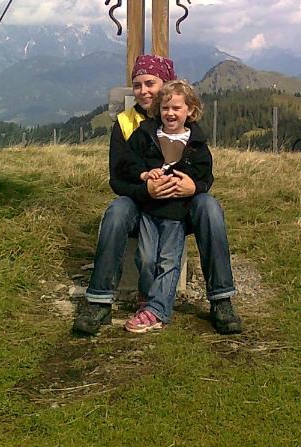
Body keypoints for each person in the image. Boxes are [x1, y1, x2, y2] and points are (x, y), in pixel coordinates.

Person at [73, 54, 242, 336]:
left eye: (150, 83)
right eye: (137, 85)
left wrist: (195, 188)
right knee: (116, 212)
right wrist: (145, 189)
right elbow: (117, 178)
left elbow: (205, 172)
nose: (144, 91)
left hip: (181, 207)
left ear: (166, 85)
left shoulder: (181, 118)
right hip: (143, 204)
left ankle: (221, 299)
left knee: (210, 207)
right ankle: (98, 301)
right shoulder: (127, 123)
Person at [121, 80, 212, 333]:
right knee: (146, 257)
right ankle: (148, 297)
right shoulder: (147, 134)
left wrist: (192, 185)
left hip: (176, 213)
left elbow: (205, 174)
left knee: (168, 260)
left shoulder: (196, 143)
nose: (170, 113)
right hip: (149, 209)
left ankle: (157, 310)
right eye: (164, 108)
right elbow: (129, 161)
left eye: (176, 108)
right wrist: (143, 175)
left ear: (190, 111)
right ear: (158, 110)